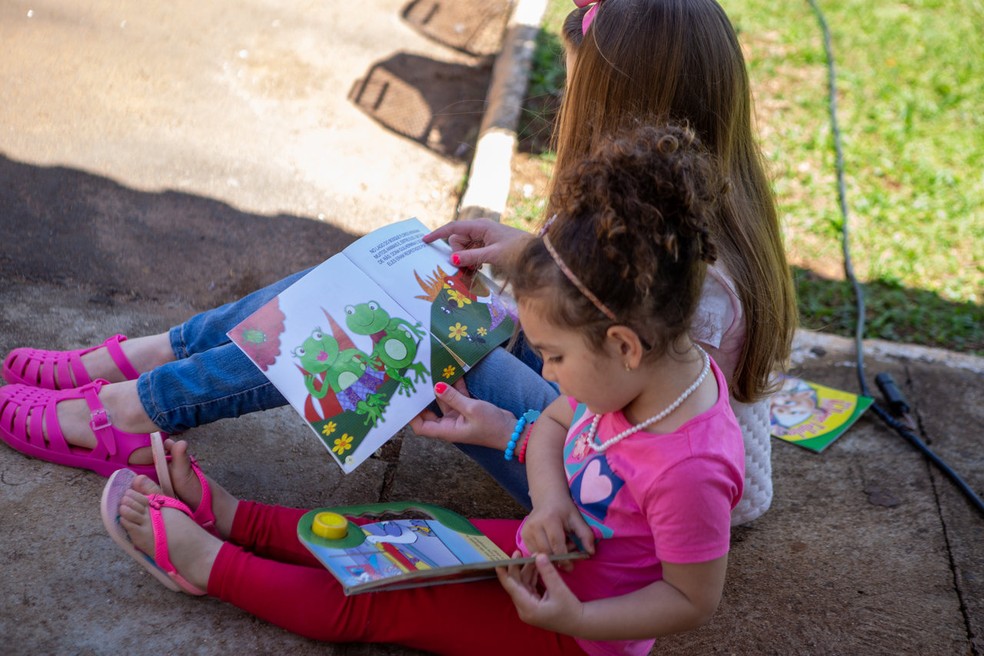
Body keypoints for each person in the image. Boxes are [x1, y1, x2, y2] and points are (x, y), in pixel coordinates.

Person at [0, 0, 795, 520]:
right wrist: (525, 254)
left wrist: (482, 309)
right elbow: (602, 321)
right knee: (389, 273)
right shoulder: (669, 207)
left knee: (402, 320)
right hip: (598, 420)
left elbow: (622, 407)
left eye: (582, 91)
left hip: (615, 484)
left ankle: (136, 411)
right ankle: (144, 365)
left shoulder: (706, 285)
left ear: (631, 114)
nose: (570, 109)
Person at [106, 123, 746, 656]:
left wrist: (577, 621)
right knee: (395, 536)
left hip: (571, 629)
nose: (546, 373)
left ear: (624, 345)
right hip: (547, 554)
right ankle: (233, 518)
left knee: (373, 605)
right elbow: (555, 425)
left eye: (552, 356)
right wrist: (548, 502)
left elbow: (691, 600)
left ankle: (210, 565)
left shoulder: (690, 466)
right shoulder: (634, 374)